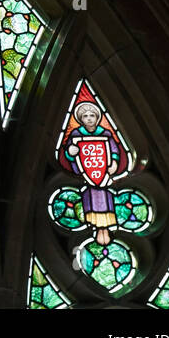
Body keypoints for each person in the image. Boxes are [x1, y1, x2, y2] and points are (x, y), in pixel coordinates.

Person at [59, 99, 127, 245]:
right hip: (89, 178)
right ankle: (97, 228)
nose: (89, 118)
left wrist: (114, 162)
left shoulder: (106, 133)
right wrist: (71, 151)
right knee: (91, 200)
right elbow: (69, 151)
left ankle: (105, 229)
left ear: (97, 118)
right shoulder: (76, 134)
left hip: (103, 178)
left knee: (106, 201)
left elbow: (114, 149)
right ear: (81, 119)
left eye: (92, 115)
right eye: (85, 116)